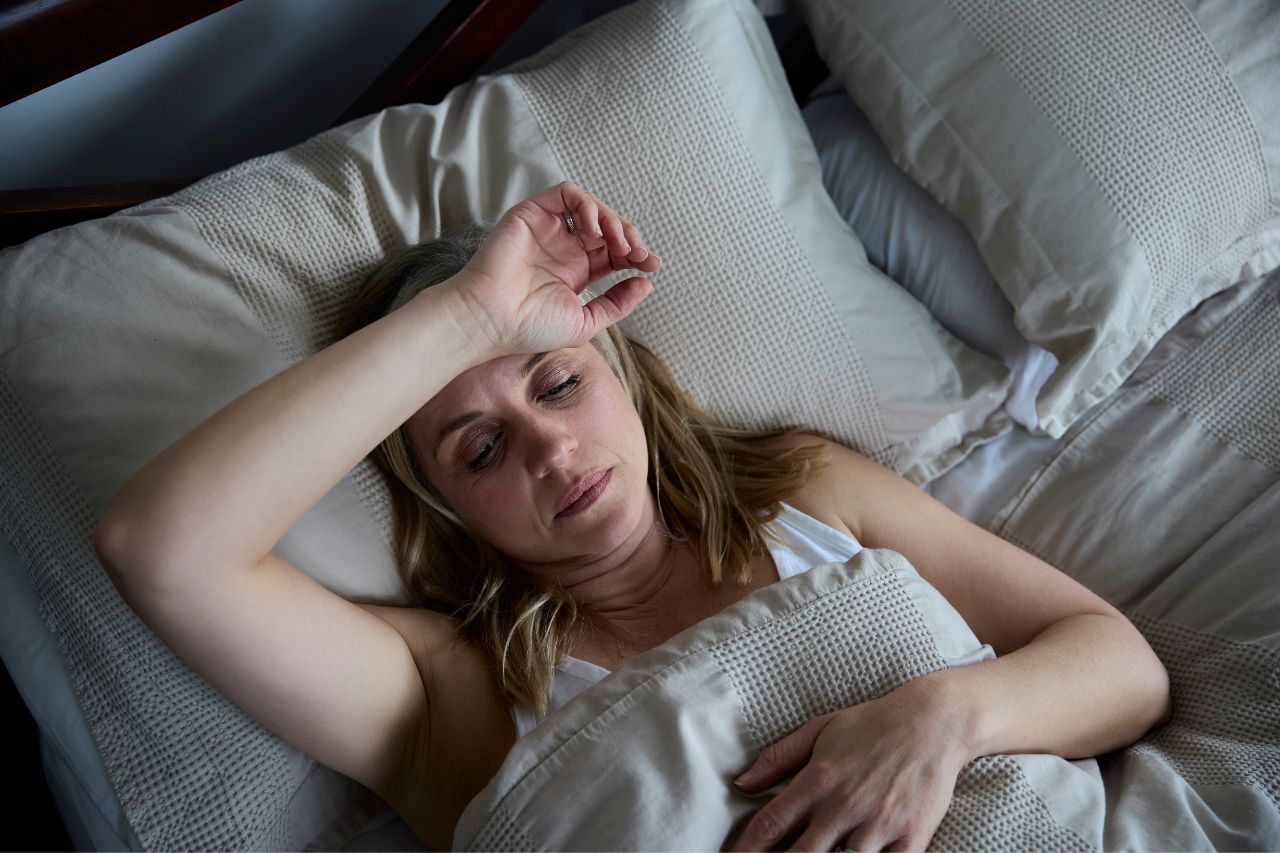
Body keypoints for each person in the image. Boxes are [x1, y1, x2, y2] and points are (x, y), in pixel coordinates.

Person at [95, 180, 1172, 852]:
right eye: (477, 448)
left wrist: (941, 717)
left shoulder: (802, 489)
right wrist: (469, 315)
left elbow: (1118, 666)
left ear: (624, 373)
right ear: (446, 507)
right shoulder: (444, 690)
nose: (549, 449)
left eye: (556, 385)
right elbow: (163, 550)